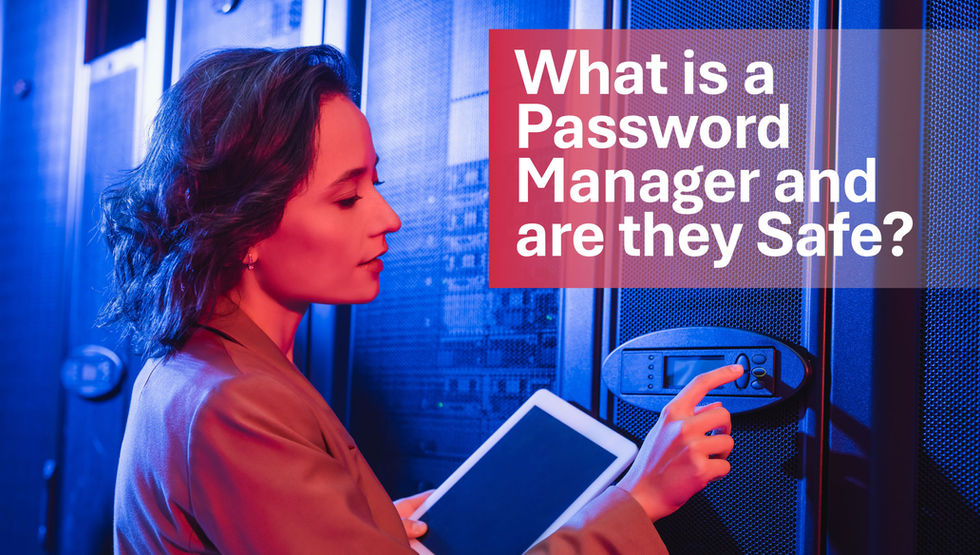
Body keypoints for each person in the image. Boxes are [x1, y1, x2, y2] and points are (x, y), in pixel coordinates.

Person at [104, 44, 741, 554]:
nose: (388, 217)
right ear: (242, 227)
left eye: (375, 182)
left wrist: (366, 528)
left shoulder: (195, 366)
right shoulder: (236, 405)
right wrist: (638, 503)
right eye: (347, 196)